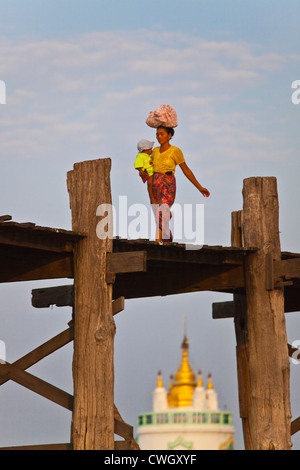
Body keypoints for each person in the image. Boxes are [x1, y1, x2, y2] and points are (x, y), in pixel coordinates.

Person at [151, 126, 210, 242]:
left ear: (169, 136)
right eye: (157, 134)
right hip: (155, 184)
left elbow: (186, 170)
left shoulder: (175, 151)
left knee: (163, 208)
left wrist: (199, 187)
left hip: (168, 184)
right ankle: (165, 236)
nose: (159, 136)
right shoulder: (155, 151)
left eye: (162, 134)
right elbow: (148, 167)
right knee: (158, 212)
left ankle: (158, 240)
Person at [134, 139, 156, 204]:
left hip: (153, 172)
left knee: (153, 184)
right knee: (150, 183)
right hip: (148, 173)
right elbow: (137, 164)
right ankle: (152, 198)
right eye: (150, 149)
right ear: (145, 150)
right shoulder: (140, 156)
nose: (151, 150)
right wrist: (140, 170)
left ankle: (154, 196)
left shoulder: (148, 156)